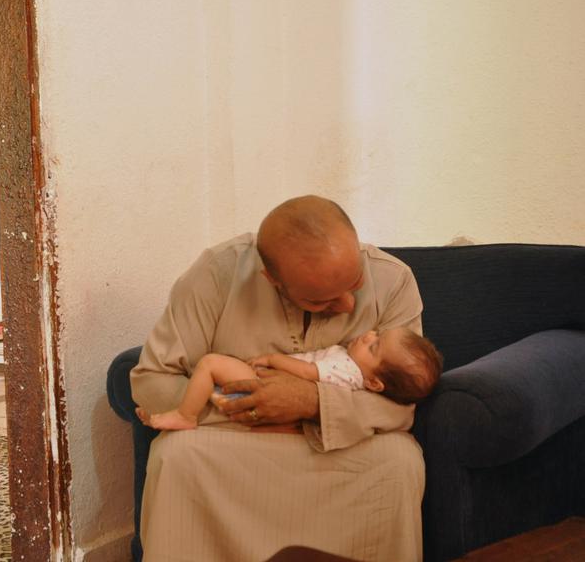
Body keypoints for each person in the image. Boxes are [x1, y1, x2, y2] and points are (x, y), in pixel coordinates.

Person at [124, 195, 427, 561]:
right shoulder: (217, 274)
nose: (348, 305)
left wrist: (311, 403)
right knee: (176, 456)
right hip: (236, 444)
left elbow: (401, 405)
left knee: (399, 460)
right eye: (322, 301)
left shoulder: (394, 280)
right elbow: (151, 381)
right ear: (273, 281)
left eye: (356, 282)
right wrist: (251, 409)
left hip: (337, 445)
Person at [138, 327, 443, 431]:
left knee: (209, 363)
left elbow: (308, 373)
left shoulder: (347, 370)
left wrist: (273, 360)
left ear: (375, 383)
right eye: (376, 333)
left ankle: (185, 415)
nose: (368, 335)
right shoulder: (356, 371)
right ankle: (212, 400)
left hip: (268, 384)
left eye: (374, 346)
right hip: (273, 393)